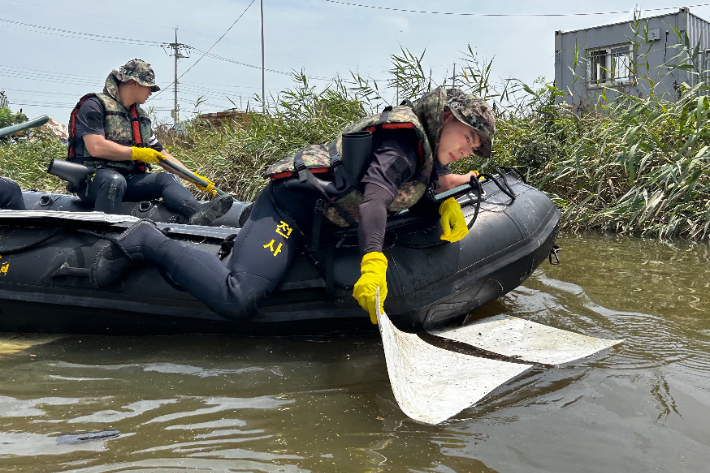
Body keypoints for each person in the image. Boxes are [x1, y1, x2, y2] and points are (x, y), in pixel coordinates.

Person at [89, 87, 496, 323]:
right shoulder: (403, 145)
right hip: (288, 213)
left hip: (323, 221)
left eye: (475, 149)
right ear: (444, 117)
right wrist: (373, 262)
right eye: (468, 139)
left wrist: (445, 197)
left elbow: (413, 191)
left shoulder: (422, 151)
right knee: (239, 297)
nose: (467, 150)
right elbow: (375, 198)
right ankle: (145, 240)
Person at [67, 58, 232, 225]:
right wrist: (137, 153)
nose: (151, 92)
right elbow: (96, 147)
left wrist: (195, 178)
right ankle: (102, 233)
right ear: (133, 83)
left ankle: (197, 214)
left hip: (128, 180)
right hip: (94, 181)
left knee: (166, 179)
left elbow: (162, 155)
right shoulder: (94, 105)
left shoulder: (140, 117)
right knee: (114, 181)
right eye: (149, 87)